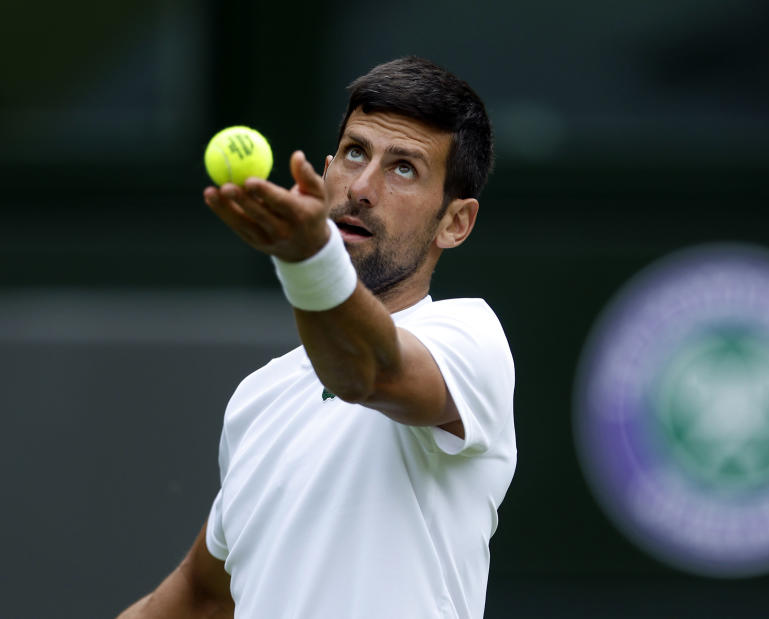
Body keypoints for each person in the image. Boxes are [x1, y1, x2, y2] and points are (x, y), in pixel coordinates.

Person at [117, 56, 515, 619]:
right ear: (326, 169)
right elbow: (201, 596)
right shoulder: (258, 400)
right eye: (355, 153)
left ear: (455, 222)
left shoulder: (470, 338)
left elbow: (367, 374)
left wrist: (308, 258)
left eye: (404, 168)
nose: (362, 187)